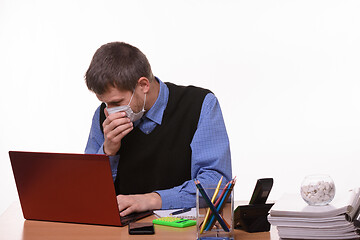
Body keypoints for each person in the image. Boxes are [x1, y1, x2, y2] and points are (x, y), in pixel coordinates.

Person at [84, 42, 232, 217]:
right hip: (123, 230)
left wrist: (152, 200)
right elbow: (89, 193)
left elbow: (216, 185)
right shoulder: (103, 115)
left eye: (117, 103)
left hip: (181, 229)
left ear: (144, 85)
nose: (109, 111)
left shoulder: (200, 105)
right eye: (105, 103)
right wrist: (108, 152)